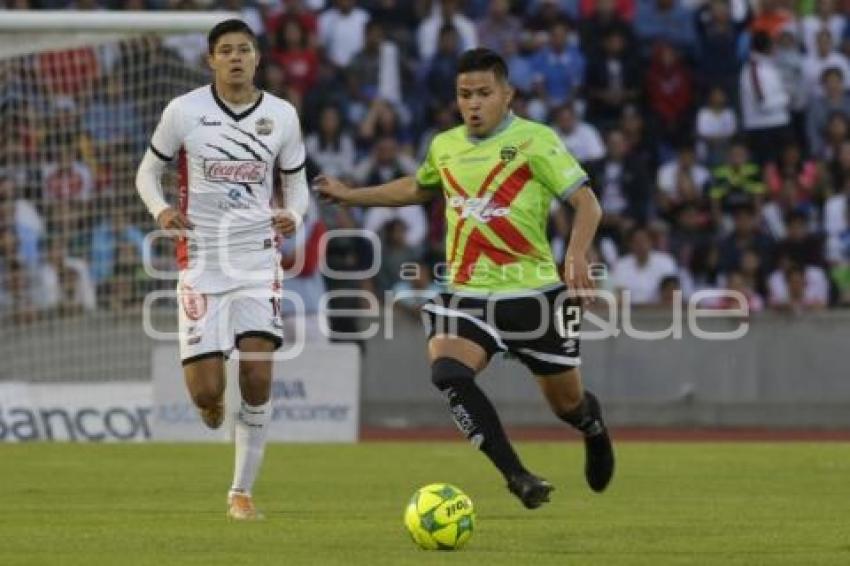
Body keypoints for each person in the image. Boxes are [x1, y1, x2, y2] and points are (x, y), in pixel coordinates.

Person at [316, 48, 614, 509]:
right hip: (465, 293)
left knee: (567, 404)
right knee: (448, 372)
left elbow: (587, 203)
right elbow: (418, 187)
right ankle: (517, 476)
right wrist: (351, 195)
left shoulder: (536, 140)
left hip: (533, 294)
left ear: (507, 94)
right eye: (464, 94)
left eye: (483, 93)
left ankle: (592, 427)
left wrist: (575, 255)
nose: (473, 103)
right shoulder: (445, 145)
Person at [135, 19, 308, 520]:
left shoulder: (281, 116)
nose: (236, 58)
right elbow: (148, 172)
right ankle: (210, 404)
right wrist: (162, 210)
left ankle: (241, 492)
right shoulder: (184, 111)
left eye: (244, 50)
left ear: (257, 58)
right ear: (211, 60)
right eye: (226, 51)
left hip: (257, 257)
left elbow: (297, 186)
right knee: (210, 392)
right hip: (203, 259)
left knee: (256, 375)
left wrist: (293, 215)